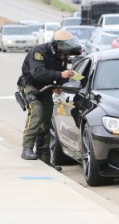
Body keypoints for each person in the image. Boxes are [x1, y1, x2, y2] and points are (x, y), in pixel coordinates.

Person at [17, 29, 82, 167]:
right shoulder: (39, 51)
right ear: (57, 47)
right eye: (64, 53)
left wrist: (60, 86)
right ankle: (27, 148)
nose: (65, 57)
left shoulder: (61, 58)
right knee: (37, 111)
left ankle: (44, 158)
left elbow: (58, 77)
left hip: (47, 88)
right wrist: (60, 75)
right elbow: (38, 73)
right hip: (31, 86)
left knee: (46, 120)